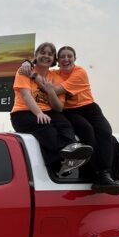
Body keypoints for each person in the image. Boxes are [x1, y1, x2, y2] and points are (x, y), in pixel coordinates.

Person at [20, 45, 119, 194]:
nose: (66, 59)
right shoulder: (54, 74)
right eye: (62, 57)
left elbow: (54, 90)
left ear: (75, 59)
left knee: (106, 132)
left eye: (70, 56)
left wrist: (34, 76)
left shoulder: (80, 72)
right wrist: (27, 62)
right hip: (69, 111)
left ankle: (105, 174)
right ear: (57, 60)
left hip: (89, 108)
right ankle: (91, 174)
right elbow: (40, 64)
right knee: (87, 131)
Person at [10, 42, 92, 177]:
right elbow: (25, 95)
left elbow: (58, 107)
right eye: (43, 53)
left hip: (49, 111)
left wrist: (51, 92)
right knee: (46, 129)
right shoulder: (24, 70)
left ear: (54, 59)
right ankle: (59, 163)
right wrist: (39, 113)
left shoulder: (56, 77)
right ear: (36, 55)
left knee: (64, 124)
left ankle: (70, 152)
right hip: (23, 112)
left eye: (50, 54)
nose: (46, 56)